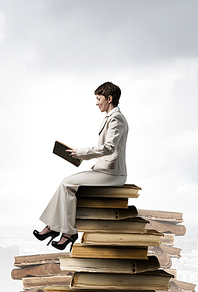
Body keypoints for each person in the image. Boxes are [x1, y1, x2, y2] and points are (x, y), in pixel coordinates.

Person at [34, 81, 128, 251]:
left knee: (67, 184)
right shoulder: (110, 118)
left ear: (109, 98)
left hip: (113, 173)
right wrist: (79, 154)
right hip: (104, 170)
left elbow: (109, 148)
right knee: (65, 183)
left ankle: (68, 232)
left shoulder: (117, 119)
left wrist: (81, 153)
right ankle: (53, 227)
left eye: (99, 99)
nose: (97, 102)